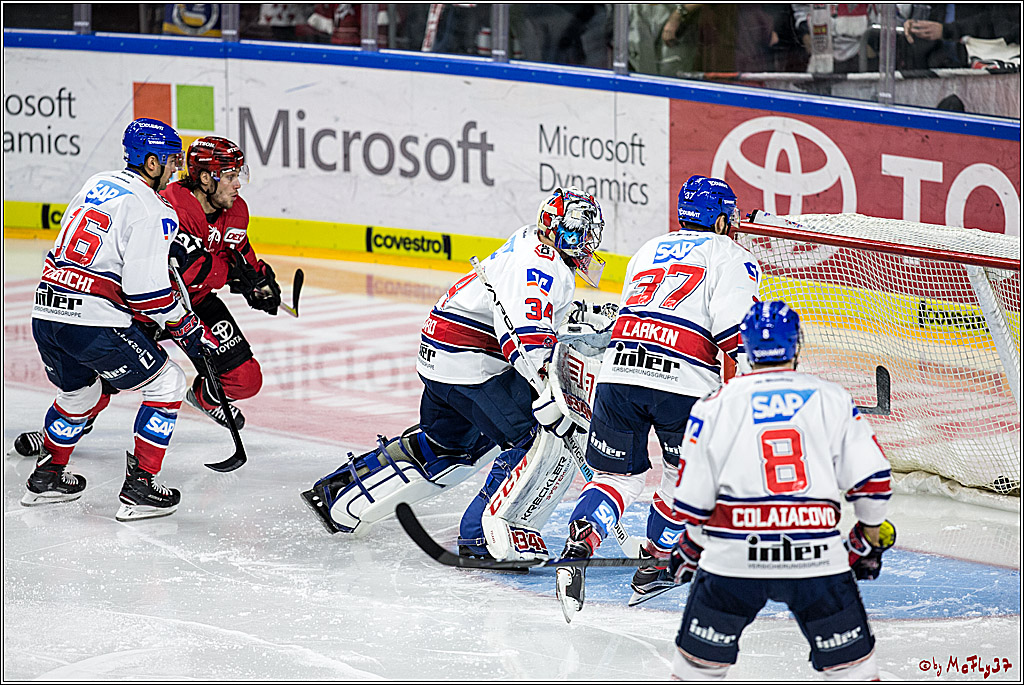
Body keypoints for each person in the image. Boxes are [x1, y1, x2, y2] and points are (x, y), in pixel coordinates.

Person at [301, 187, 605, 556]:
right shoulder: (541, 265)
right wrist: (548, 393)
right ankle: (483, 537)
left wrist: (582, 317)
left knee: (449, 446)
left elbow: (523, 310)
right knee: (533, 439)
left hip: (444, 359)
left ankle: (340, 490)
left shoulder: (532, 243)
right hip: (469, 364)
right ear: (560, 230)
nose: (588, 240)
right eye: (582, 231)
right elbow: (523, 337)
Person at [555, 175, 762, 619]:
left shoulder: (648, 248)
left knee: (617, 480)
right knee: (681, 479)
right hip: (683, 383)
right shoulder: (734, 256)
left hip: (619, 374)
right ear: (722, 219)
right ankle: (655, 564)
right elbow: (735, 337)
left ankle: (580, 543)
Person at [666, 300, 895, 680]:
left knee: (695, 672)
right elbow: (873, 484)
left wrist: (691, 548)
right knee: (854, 672)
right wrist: (867, 541)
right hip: (816, 561)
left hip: (733, 564)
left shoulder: (715, 405)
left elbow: (692, 504)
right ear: (796, 345)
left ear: (747, 348)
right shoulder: (830, 397)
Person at [16, 118, 220, 521]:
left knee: (81, 395)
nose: (174, 169)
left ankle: (49, 476)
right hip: (92, 320)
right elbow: (148, 294)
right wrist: (189, 327)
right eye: (169, 160)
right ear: (149, 161)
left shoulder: (98, 182)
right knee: (168, 381)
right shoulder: (153, 209)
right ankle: (141, 487)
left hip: (46, 311)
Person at [161, 136, 281, 430]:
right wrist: (231, 275)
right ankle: (64, 433)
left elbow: (240, 253)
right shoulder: (174, 206)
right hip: (152, 305)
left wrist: (261, 283)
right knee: (106, 375)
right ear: (204, 178)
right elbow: (188, 268)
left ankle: (205, 398)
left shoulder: (235, 210)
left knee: (246, 379)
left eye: (238, 175)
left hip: (197, 304)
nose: (238, 184)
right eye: (230, 176)